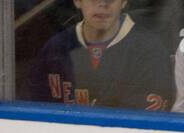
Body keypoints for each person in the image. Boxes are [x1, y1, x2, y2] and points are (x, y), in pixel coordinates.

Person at [26, 0, 172, 109]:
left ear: (124, 2)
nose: (103, 3)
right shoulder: (56, 47)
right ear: (77, 1)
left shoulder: (148, 50)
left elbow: (144, 128)